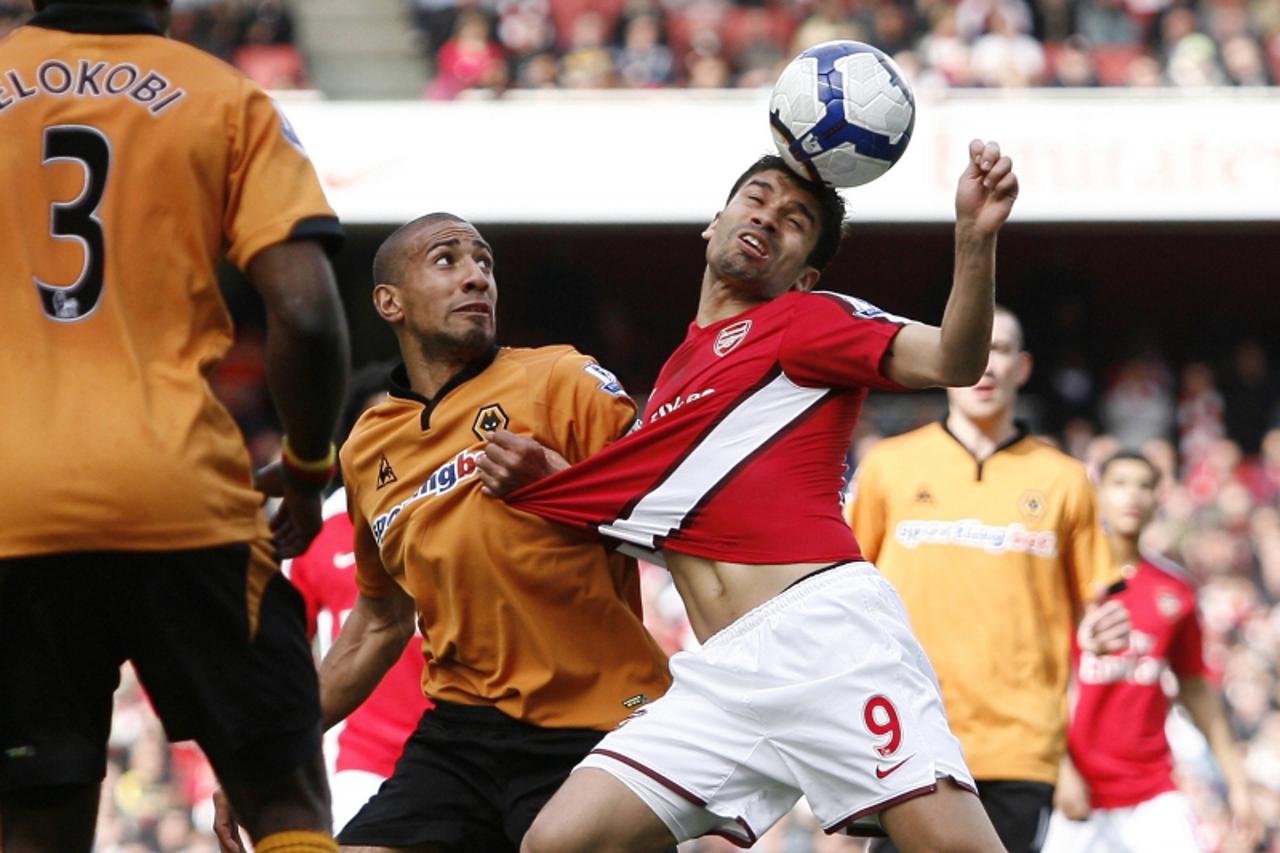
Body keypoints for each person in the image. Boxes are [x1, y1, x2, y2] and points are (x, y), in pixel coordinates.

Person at [505, 140, 1023, 852]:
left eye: (796, 218)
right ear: (713, 223)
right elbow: (664, 512)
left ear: (804, 275)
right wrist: (548, 482)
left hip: (827, 643)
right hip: (721, 675)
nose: (770, 217)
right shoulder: (674, 378)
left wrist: (974, 240)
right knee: (559, 842)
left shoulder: (805, 322)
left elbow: (953, 360)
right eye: (758, 199)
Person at [0, 2, 349, 852]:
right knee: (283, 792)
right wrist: (306, 465)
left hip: (12, 507)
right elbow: (305, 312)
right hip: (182, 496)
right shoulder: (225, 98)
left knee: (35, 814)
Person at [216, 212, 673, 853]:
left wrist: (559, 482)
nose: (475, 278)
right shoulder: (367, 446)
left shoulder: (563, 379)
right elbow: (378, 624)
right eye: (446, 260)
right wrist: (264, 757)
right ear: (389, 302)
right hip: (461, 736)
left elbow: (675, 518)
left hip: (593, 727)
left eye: (483, 262)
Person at [847, 305, 1129, 852]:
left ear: (1023, 368)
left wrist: (1096, 630)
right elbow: (844, 585)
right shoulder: (888, 466)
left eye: (1001, 351)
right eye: (978, 349)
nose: (988, 366)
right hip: (906, 735)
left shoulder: (1065, 479)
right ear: (949, 360)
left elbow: (1097, 604)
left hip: (1020, 743)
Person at [1042, 451, 1260, 853]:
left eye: (1145, 486)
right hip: (1080, 793)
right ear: (1098, 494)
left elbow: (1195, 689)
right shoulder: (1064, 581)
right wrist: (1060, 768)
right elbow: (1038, 681)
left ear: (1158, 499)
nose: (1133, 496)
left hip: (1154, 789)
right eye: (1120, 483)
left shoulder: (1175, 590)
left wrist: (1237, 783)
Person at [283, 363, 431, 834]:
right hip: (360, 760)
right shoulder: (315, 535)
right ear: (352, 447)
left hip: (462, 745)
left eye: (407, 428)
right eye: (379, 429)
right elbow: (284, 659)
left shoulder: (463, 512)